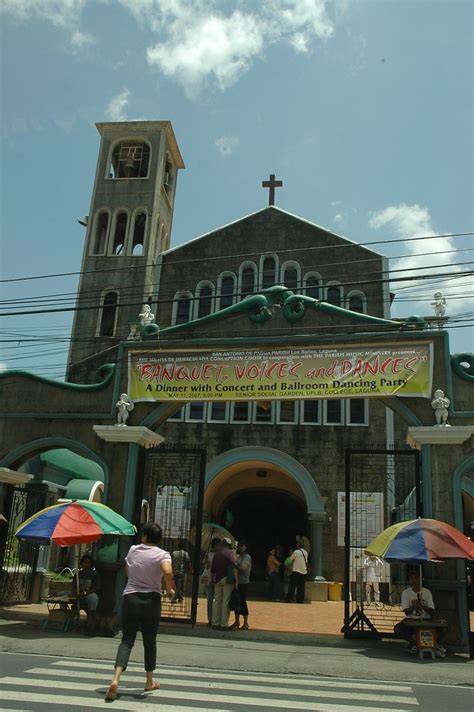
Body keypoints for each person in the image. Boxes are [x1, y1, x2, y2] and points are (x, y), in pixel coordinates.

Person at [105, 522, 175, 701]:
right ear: (159, 539)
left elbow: (128, 572)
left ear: (144, 536)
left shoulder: (133, 550)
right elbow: (167, 570)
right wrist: (170, 589)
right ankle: (149, 681)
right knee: (150, 642)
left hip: (131, 598)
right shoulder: (162, 554)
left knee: (127, 640)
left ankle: (115, 678)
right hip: (152, 600)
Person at [394, 572, 445, 656]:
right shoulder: (406, 593)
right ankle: (416, 643)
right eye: (413, 580)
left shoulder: (426, 592)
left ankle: (432, 644)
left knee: (443, 629)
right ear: (410, 581)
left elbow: (432, 610)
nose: (415, 582)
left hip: (425, 619)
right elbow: (406, 612)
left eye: (417, 579)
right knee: (398, 629)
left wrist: (423, 607)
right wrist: (414, 607)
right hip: (411, 619)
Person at [211, 537, 237, 629]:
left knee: (217, 601)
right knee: (225, 602)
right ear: (229, 545)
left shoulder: (217, 554)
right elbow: (235, 564)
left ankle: (215, 623)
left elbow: (212, 569)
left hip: (217, 579)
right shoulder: (230, 553)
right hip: (226, 579)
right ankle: (224, 624)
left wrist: (213, 579)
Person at [74, 553, 100, 633]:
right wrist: (75, 592)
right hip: (77, 595)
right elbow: (73, 586)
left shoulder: (94, 574)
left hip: (88, 596)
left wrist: (85, 593)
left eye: (88, 562)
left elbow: (96, 588)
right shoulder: (78, 574)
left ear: (91, 564)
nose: (86, 564)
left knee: (94, 597)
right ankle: (66, 618)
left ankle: (91, 616)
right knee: (61, 594)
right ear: (82, 563)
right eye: (85, 562)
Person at [230, 540, 252, 630]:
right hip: (237, 582)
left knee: (242, 601)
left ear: (245, 547)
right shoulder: (239, 556)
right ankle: (237, 621)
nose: (239, 547)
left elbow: (243, 568)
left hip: (243, 582)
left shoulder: (246, 557)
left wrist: (235, 565)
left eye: (241, 546)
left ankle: (246, 623)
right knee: (236, 601)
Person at [201, 537, 221, 625]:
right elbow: (205, 565)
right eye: (218, 545)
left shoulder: (220, 554)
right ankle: (210, 619)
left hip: (217, 579)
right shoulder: (208, 554)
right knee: (210, 600)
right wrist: (206, 561)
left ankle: (217, 619)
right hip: (209, 578)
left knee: (217, 601)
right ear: (214, 545)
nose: (219, 547)